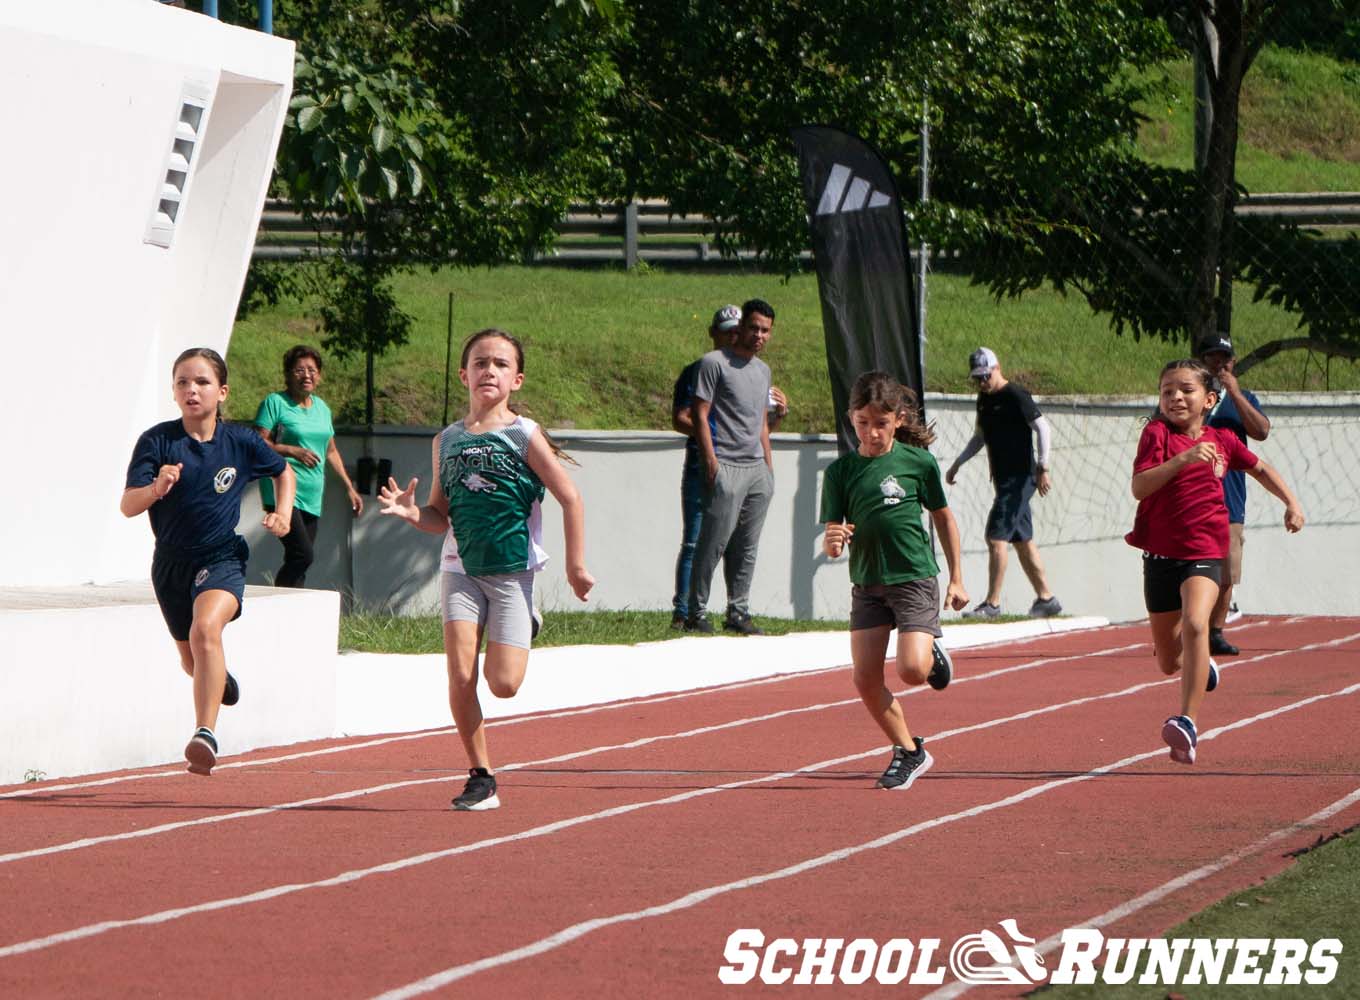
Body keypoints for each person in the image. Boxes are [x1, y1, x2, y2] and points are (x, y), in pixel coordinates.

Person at [378, 328, 594, 811]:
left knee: (504, 684)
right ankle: (481, 776)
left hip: (512, 571)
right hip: (460, 567)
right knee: (459, 673)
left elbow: (570, 497)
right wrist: (414, 514)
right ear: (464, 374)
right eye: (480, 363)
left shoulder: (524, 434)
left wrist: (577, 566)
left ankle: (523, 622)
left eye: (499, 364)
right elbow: (440, 516)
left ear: (516, 379)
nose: (488, 371)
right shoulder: (446, 440)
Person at [121, 347, 296, 776]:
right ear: (174, 392)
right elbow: (128, 505)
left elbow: (283, 471)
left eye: (201, 382)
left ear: (222, 391)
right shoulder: (158, 441)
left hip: (221, 557)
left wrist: (284, 514)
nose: (191, 389)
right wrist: (156, 488)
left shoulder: (240, 441)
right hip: (170, 565)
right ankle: (220, 680)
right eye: (182, 382)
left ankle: (205, 733)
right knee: (191, 660)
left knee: (206, 629)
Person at [1125, 359, 1303, 765]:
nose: (1175, 397)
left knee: (1195, 622)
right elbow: (1139, 486)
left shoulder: (1222, 439)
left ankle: (1187, 723)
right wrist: (1184, 460)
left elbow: (1260, 468)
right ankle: (1200, 667)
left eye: (1185, 390)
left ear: (1208, 400)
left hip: (1205, 551)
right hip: (1159, 556)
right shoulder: (1156, 434)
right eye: (1167, 390)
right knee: (1169, 662)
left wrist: (1291, 503)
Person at [820, 372, 968, 790]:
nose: (872, 433)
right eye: (863, 423)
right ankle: (909, 751)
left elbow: (943, 517)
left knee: (911, 671)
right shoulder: (840, 474)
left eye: (880, 424)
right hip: (867, 584)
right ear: (852, 419)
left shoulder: (917, 463)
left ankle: (929, 656)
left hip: (914, 578)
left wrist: (956, 577)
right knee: (864, 679)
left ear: (898, 420)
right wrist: (833, 542)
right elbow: (834, 541)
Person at [669, 304, 788, 629]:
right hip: (726, 465)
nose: (759, 336)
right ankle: (695, 612)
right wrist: (711, 461)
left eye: (765, 330)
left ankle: (738, 611)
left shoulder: (762, 371)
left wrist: (768, 466)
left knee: (747, 546)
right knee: (712, 542)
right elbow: (700, 415)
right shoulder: (713, 364)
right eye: (754, 328)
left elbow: (760, 422)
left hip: (757, 470)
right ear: (742, 328)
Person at [945, 347, 1061, 619]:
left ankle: (992, 604)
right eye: (977, 378)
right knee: (1022, 541)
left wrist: (1043, 467)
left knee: (995, 537)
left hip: (1019, 480)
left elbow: (1043, 428)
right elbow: (980, 436)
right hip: (1004, 480)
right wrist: (957, 463)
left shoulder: (1015, 395)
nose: (982, 383)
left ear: (997, 369)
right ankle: (1047, 599)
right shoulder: (984, 400)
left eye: (985, 376)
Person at [254, 345, 364, 588]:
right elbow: (258, 442)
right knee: (302, 554)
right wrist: (291, 450)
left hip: (312, 493)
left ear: (320, 375)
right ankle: (278, 608)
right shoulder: (276, 403)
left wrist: (349, 487)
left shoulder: (322, 408)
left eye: (312, 370)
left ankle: (291, 613)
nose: (307, 375)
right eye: (299, 370)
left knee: (299, 560)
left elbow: (331, 449)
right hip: (283, 491)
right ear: (287, 374)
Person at [1196, 333, 1270, 656]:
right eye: (1212, 358)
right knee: (1192, 568)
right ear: (1202, 362)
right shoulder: (1191, 396)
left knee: (1227, 572)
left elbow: (1262, 431)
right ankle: (1188, 628)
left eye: (1224, 359)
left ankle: (1215, 631)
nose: (1219, 364)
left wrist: (1235, 394)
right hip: (1194, 497)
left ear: (1233, 362)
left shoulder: (1244, 398)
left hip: (1230, 498)